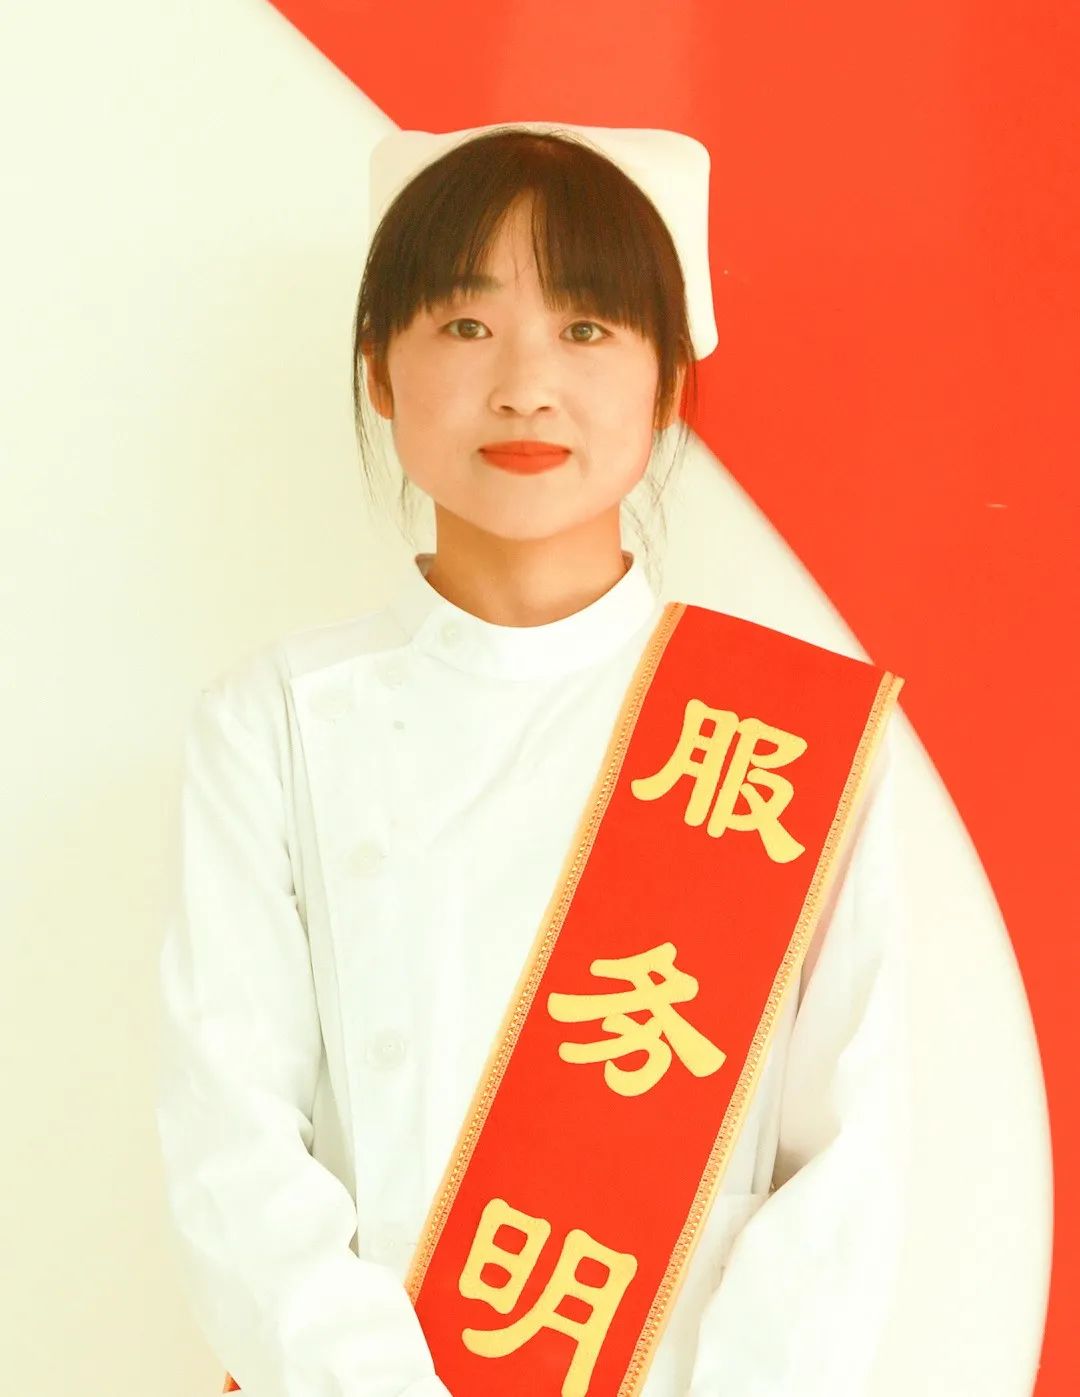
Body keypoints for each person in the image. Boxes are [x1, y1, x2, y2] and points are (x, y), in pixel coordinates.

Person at [155, 121, 911, 1397]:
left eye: (587, 327)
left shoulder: (786, 737)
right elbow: (229, 1145)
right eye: (466, 325)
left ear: (666, 381)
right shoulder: (271, 720)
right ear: (379, 369)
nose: (525, 385)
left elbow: (846, 1168)